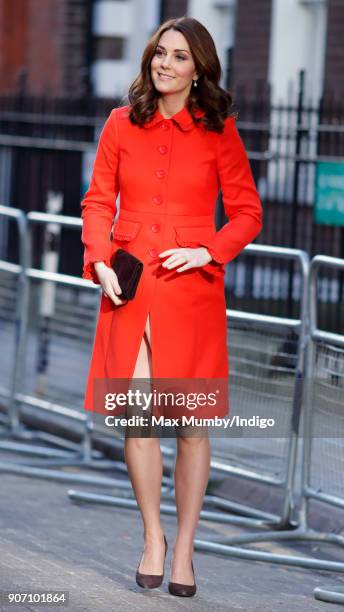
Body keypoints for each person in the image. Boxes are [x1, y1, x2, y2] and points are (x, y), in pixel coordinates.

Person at [80, 16, 263, 598]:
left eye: (180, 56)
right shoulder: (118, 124)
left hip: (191, 290)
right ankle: (153, 537)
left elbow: (247, 213)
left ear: (198, 68)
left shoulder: (218, 131)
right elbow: (96, 201)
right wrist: (100, 260)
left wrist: (207, 248)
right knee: (137, 418)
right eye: (161, 53)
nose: (166, 64)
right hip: (128, 286)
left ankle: (185, 548)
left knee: (188, 426)